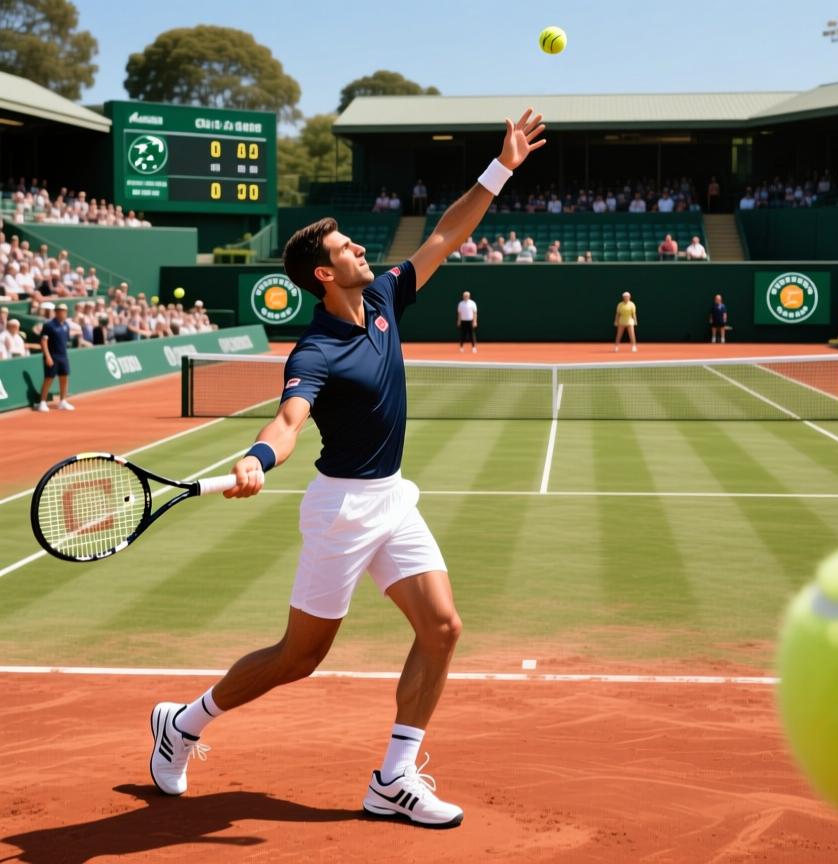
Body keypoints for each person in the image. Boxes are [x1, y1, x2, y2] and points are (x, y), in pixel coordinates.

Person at [145, 108, 546, 829]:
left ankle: (392, 778)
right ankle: (184, 722)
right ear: (325, 274)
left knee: (444, 628)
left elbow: (448, 232)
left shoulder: (387, 295)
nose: (363, 248)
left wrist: (502, 166)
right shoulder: (315, 352)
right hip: (341, 512)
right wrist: (259, 458)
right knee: (299, 658)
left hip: (393, 498)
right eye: (347, 247)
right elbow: (290, 419)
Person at [35, 303, 74, 411]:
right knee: (49, 379)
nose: (63, 313)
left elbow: (65, 341)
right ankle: (42, 402)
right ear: (56, 312)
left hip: (63, 356)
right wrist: (47, 356)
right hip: (52, 356)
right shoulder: (49, 325)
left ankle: (62, 401)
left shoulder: (66, 325)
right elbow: (43, 342)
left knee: (64, 378)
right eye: (61, 311)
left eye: (65, 311)